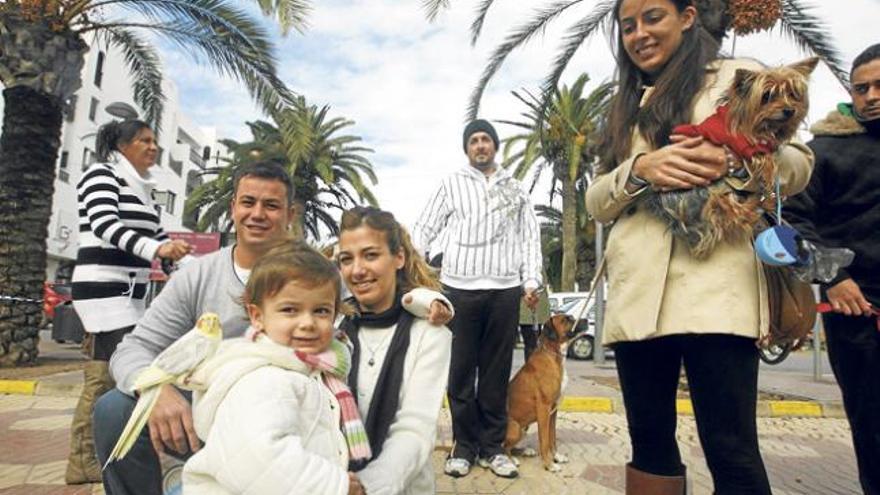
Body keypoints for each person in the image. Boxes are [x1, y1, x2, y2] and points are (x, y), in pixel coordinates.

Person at [93, 160, 452, 494]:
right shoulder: (197, 276)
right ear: (233, 207)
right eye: (248, 202)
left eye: (271, 205)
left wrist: (422, 299)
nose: (257, 214)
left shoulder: (312, 271)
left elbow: (370, 291)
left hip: (295, 416)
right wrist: (155, 389)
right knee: (115, 409)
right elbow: (132, 349)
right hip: (214, 409)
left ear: (290, 214)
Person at [584, 0, 813, 493]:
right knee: (648, 447)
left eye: (653, 17)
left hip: (718, 299)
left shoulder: (740, 76)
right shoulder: (623, 103)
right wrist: (639, 171)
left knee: (730, 448)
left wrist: (732, 159)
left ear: (687, 17)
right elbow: (596, 200)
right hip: (637, 301)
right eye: (628, 26)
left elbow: (797, 167)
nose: (639, 34)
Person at [411, 119, 543, 479]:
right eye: (474, 141)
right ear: (467, 148)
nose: (480, 146)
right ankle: (463, 447)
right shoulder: (452, 184)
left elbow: (529, 237)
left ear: (495, 146)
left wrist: (531, 279)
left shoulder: (515, 189)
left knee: (496, 373)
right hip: (460, 290)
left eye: (486, 140)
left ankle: (493, 448)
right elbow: (425, 227)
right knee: (460, 372)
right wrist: (410, 265)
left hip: (504, 289)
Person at [182, 240, 366, 495]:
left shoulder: (306, 371)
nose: (308, 323)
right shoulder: (264, 378)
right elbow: (260, 458)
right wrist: (333, 485)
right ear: (257, 316)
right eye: (290, 310)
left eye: (321, 311)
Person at [66, 120, 192, 484]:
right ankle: (83, 458)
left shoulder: (141, 190)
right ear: (122, 146)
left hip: (129, 296)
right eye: (145, 140)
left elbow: (164, 242)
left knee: (112, 375)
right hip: (104, 293)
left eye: (155, 140)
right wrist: (158, 249)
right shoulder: (101, 175)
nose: (153, 147)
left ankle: (96, 454)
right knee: (104, 378)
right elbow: (106, 225)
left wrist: (208, 270)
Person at [785, 43, 880, 495]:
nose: (871, 96)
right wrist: (833, 278)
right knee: (874, 426)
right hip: (859, 313)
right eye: (861, 88)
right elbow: (788, 223)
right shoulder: (822, 151)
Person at [336, 206, 453, 494]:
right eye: (346, 259)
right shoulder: (331, 330)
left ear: (398, 257)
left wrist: (368, 485)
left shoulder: (429, 333)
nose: (358, 270)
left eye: (371, 255)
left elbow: (415, 426)